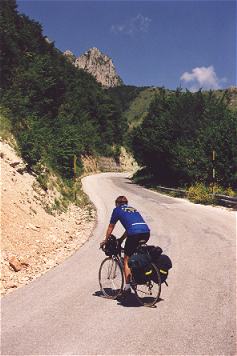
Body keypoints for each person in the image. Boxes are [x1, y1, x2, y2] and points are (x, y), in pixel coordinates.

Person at [100, 196, 150, 293]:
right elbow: (130, 227)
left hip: (134, 234)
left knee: (126, 259)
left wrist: (105, 241)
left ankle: (127, 287)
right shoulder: (133, 209)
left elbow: (111, 227)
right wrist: (122, 239)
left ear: (117, 203)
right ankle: (140, 275)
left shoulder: (117, 210)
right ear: (126, 203)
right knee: (136, 255)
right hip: (146, 232)